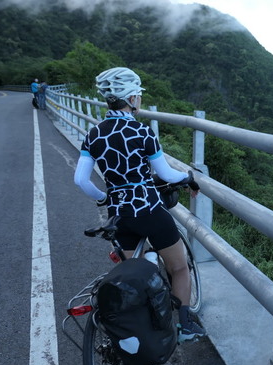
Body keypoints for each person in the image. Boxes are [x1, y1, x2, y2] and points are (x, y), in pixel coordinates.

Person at [74, 67, 205, 342]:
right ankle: (183, 327)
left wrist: (103, 198)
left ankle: (142, 321)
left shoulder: (94, 135)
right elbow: (168, 175)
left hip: (118, 214)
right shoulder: (142, 132)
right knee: (179, 268)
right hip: (147, 208)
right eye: (138, 95)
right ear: (132, 98)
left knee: (134, 273)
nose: (140, 100)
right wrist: (189, 178)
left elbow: (81, 180)